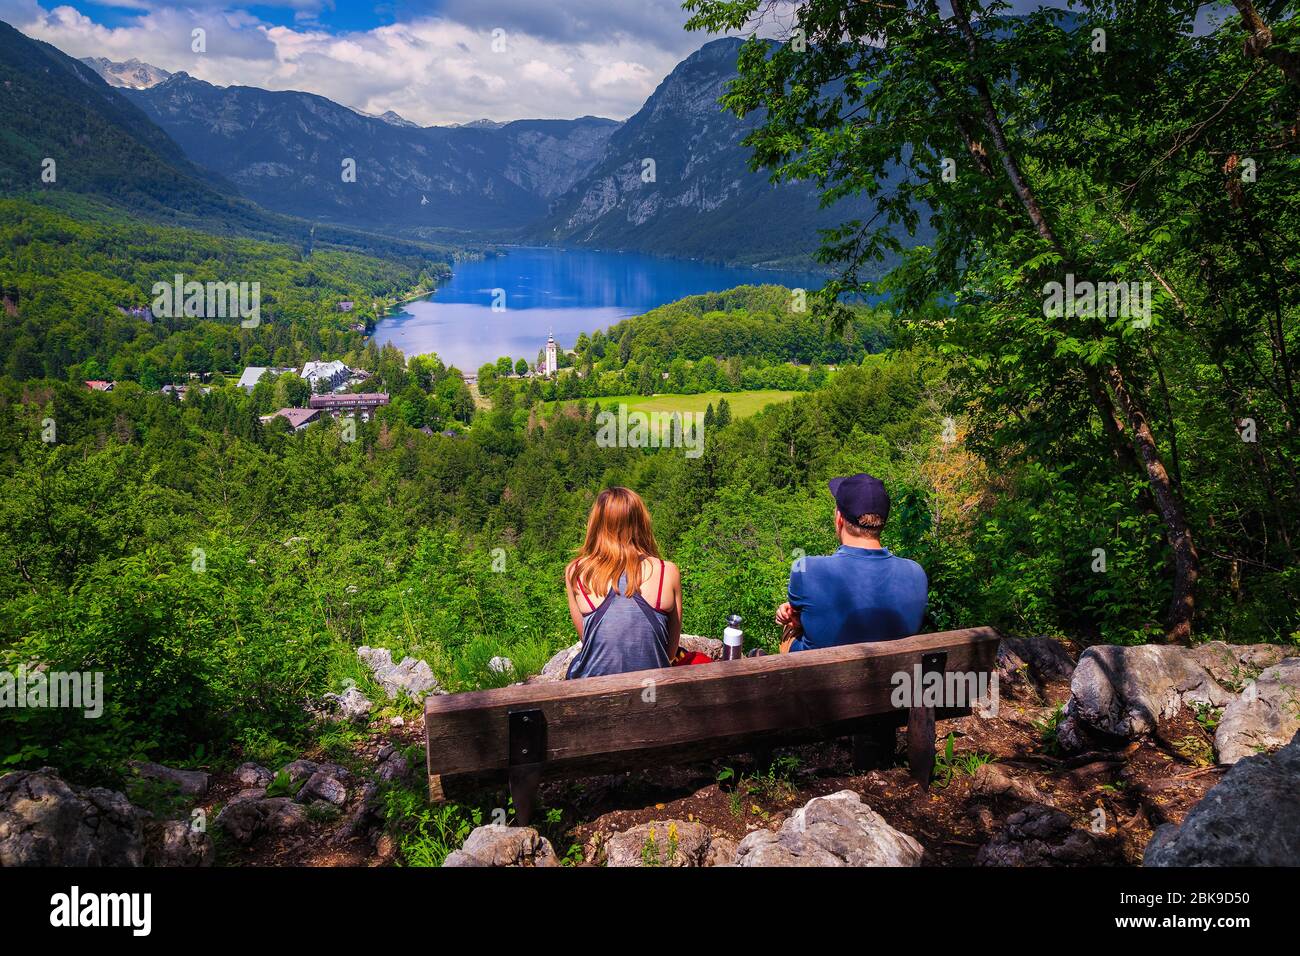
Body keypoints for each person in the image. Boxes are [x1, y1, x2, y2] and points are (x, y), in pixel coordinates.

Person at [775, 473, 927, 652]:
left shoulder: (807, 569)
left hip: (819, 677)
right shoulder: (916, 573)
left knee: (790, 630)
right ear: (882, 522)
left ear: (839, 518)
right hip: (892, 676)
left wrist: (796, 621)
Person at [564, 487, 682, 679]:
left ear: (596, 524)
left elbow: (589, 641)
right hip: (651, 696)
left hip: (593, 695)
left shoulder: (576, 572)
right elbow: (669, 653)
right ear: (641, 522)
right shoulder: (667, 572)